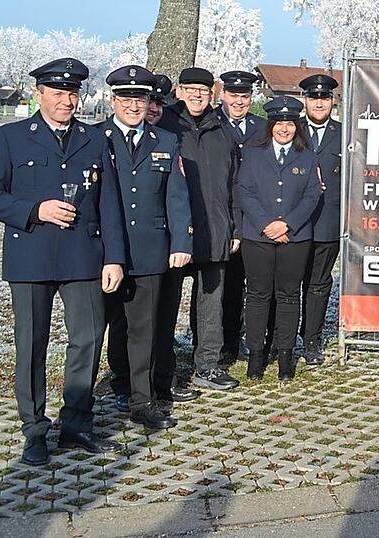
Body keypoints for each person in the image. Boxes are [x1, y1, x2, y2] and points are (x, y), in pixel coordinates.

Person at [0, 58, 126, 464]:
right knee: (32, 344)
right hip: (31, 255)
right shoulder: (12, 137)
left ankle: (77, 423)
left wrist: (113, 258)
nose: (67, 100)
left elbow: (110, 202)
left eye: (72, 93)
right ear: (39, 95)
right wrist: (35, 210)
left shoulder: (94, 138)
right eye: (58, 93)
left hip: (84, 255)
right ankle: (34, 429)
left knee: (87, 338)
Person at [99, 65, 192, 430]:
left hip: (150, 251)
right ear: (113, 100)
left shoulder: (165, 141)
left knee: (145, 330)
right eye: (127, 98)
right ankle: (85, 404)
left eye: (141, 99)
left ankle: (142, 401)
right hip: (103, 251)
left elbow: (177, 196)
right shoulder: (95, 138)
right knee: (96, 330)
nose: (134, 106)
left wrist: (181, 241)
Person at [156, 67, 241, 392]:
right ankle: (164, 372)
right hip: (175, 234)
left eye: (202, 90)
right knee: (167, 305)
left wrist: (236, 226)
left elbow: (234, 182)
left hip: (215, 229)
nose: (196, 95)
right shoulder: (165, 127)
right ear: (179, 91)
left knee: (210, 305)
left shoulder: (222, 130)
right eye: (189, 89)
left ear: (212, 93)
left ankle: (208, 365)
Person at [237, 96, 322, 381]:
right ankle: (256, 356)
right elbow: (244, 190)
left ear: (297, 127)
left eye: (290, 124)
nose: (284, 129)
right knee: (258, 296)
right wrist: (266, 224)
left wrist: (287, 224)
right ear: (270, 125)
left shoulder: (308, 156)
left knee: (288, 296)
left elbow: (313, 195)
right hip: (257, 237)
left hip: (294, 238)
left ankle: (286, 357)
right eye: (279, 123)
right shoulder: (252, 152)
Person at [216, 70, 265, 365]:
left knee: (253, 284)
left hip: (254, 218)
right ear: (223, 95)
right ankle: (222, 345)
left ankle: (249, 339)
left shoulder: (261, 127)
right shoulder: (212, 124)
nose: (238, 101)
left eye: (244, 96)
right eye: (233, 95)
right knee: (223, 287)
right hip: (223, 214)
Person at [298, 73, 342, 366]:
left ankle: (312, 340)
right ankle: (281, 338)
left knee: (318, 283)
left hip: (327, 219)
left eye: (324, 98)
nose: (318, 102)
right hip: (293, 221)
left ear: (332, 101)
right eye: (313, 97)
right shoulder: (289, 128)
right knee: (286, 284)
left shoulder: (345, 133)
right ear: (305, 100)